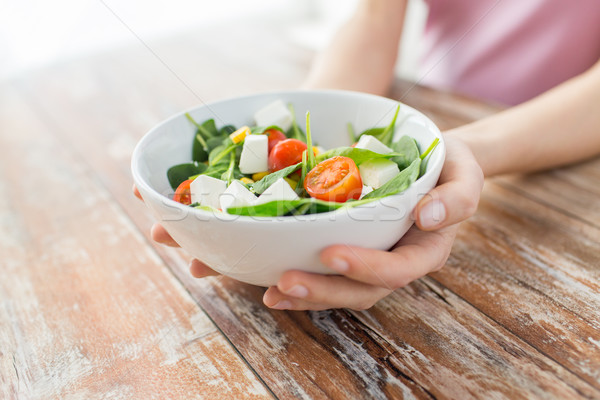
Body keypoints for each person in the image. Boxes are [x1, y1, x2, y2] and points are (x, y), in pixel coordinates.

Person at [137, 0, 600, 311]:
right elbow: (377, 18)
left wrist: (461, 155)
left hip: (570, 165)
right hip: (430, 102)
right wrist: (300, 144)